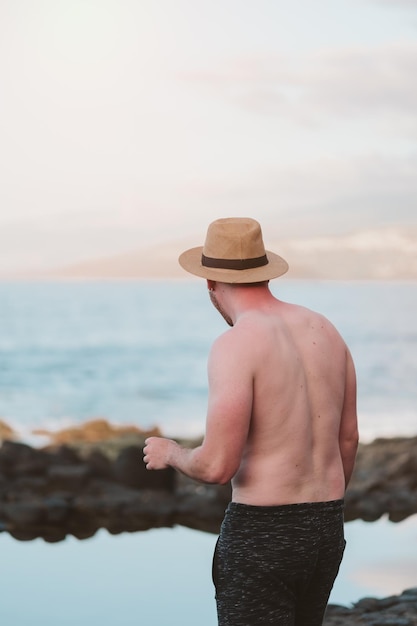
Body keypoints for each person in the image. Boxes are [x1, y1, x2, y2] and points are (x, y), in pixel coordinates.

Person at [143, 217, 359, 626]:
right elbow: (348, 438)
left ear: (210, 283)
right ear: (263, 271)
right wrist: (318, 511)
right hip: (327, 527)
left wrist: (170, 452)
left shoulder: (235, 345)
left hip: (262, 533)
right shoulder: (325, 329)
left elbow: (216, 466)